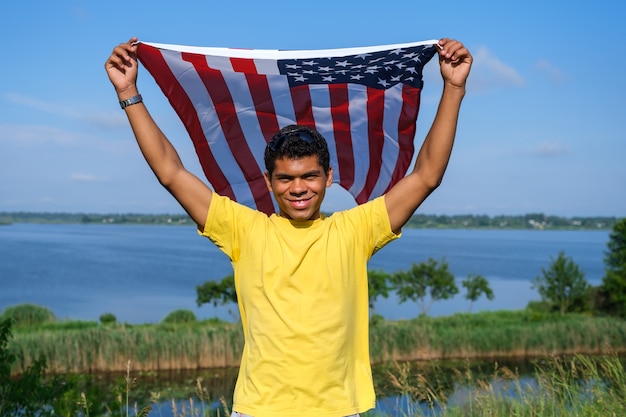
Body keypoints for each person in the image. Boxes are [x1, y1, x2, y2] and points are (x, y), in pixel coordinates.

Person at [105, 36, 472, 417]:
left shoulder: (355, 230)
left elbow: (427, 175)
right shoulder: (244, 230)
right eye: (285, 179)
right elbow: (171, 172)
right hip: (260, 409)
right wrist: (129, 92)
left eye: (309, 176)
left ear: (329, 177)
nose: (298, 188)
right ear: (268, 182)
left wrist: (454, 88)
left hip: (339, 409)